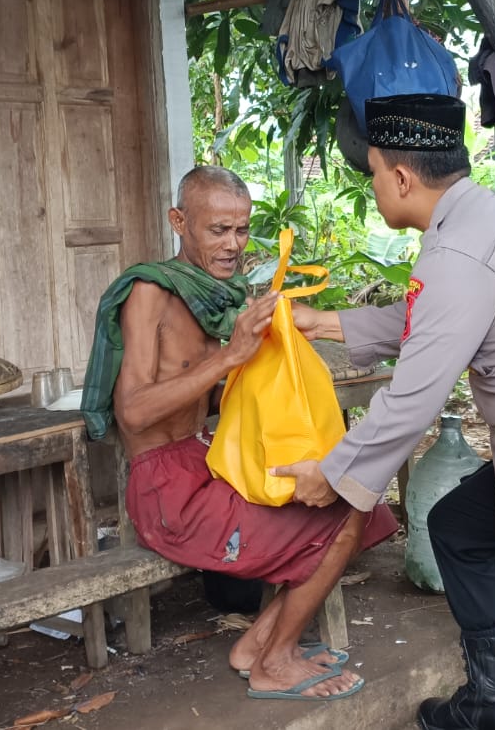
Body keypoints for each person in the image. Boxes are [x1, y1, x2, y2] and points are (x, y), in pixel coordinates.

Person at [279, 93, 495, 730]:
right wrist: (320, 321)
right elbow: (432, 316)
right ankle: (492, 701)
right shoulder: (484, 216)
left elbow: (414, 395)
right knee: (456, 527)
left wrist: (333, 475)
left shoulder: (458, 253)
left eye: (373, 175)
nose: (375, 187)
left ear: (400, 175)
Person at [82, 165, 399, 702]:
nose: (233, 245)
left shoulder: (222, 301)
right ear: (179, 221)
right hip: (168, 489)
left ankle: (257, 644)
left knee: (359, 497)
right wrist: (231, 355)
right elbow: (132, 412)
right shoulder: (148, 293)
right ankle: (274, 661)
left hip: (213, 464)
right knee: (347, 510)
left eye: (243, 230)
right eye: (218, 231)